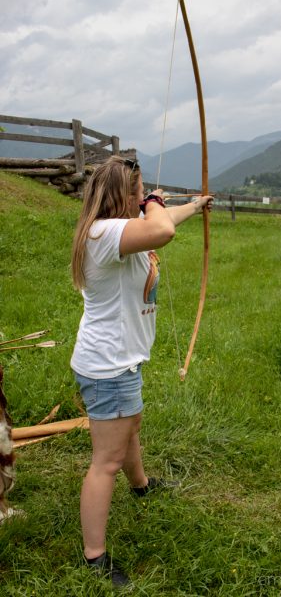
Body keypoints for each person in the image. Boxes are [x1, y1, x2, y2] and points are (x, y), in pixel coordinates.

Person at [70, 155, 213, 587]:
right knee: (105, 461)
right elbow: (161, 227)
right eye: (139, 189)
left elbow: (165, 219)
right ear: (125, 195)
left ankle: (142, 484)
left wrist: (195, 206)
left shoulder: (117, 227)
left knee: (130, 425)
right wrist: (153, 202)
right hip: (108, 367)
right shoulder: (105, 233)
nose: (146, 195)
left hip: (118, 362)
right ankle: (94, 556)